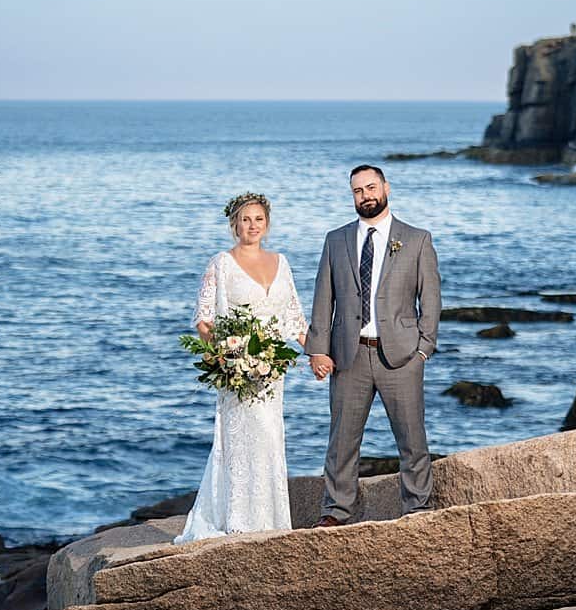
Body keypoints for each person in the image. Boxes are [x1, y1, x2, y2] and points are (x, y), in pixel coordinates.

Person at [305, 165, 441, 527]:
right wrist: (318, 348)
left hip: (401, 356)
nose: (365, 195)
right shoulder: (336, 240)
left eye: (370, 187)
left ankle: (417, 508)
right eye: (357, 191)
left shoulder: (416, 239)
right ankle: (336, 511)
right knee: (342, 441)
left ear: (386, 188)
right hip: (348, 355)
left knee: (412, 439)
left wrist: (424, 348)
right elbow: (323, 297)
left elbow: (431, 298)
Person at [174, 192, 308, 544]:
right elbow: (203, 320)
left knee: (270, 438)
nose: (252, 225)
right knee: (240, 441)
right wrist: (224, 357)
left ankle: (270, 520)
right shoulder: (221, 263)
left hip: (272, 371)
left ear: (267, 224)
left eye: (258, 219)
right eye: (245, 219)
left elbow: (294, 319)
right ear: (234, 224)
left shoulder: (281, 261)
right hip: (236, 372)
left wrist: (321, 353)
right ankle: (237, 519)